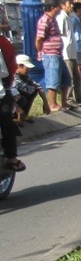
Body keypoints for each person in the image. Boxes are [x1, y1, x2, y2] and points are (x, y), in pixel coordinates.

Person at [35, 0, 72, 112]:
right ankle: (53, 104)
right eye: (58, 7)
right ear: (52, 8)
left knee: (66, 77)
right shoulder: (44, 20)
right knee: (53, 79)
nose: (60, 9)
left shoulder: (53, 20)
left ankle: (64, 102)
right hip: (50, 54)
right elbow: (39, 39)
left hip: (58, 54)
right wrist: (42, 51)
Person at [0, 34, 24, 171]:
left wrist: (8, 86)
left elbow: (11, 66)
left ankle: (11, 158)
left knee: (5, 118)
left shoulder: (2, 42)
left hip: (2, 90)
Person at [11, 54, 50, 122]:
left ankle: (24, 114)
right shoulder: (14, 78)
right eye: (27, 68)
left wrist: (45, 103)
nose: (29, 70)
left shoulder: (24, 76)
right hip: (13, 101)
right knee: (23, 98)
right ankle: (14, 116)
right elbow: (30, 89)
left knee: (34, 91)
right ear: (20, 66)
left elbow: (38, 86)